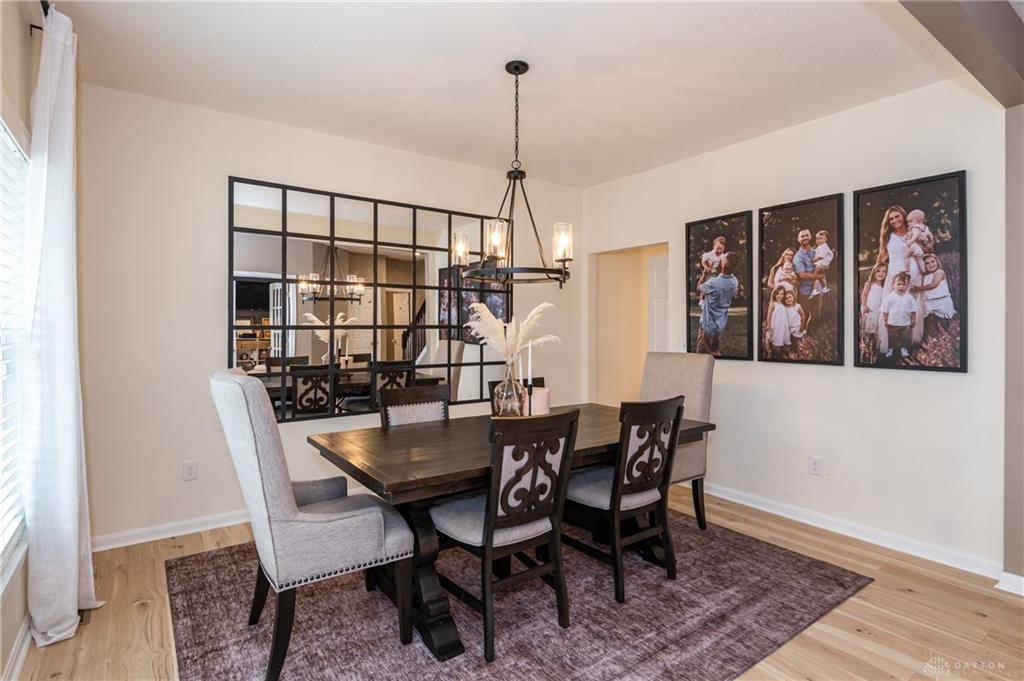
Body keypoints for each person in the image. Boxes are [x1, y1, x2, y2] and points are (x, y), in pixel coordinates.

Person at [875, 205, 925, 351]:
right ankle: (892, 344)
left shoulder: (914, 231)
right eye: (891, 219)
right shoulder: (888, 236)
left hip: (913, 272)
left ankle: (912, 342)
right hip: (894, 274)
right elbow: (881, 256)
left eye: (897, 216)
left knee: (912, 306)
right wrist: (873, 276)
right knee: (892, 306)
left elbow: (928, 249)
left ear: (903, 216)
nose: (894, 220)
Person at [696, 252, 739, 357]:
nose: (720, 257)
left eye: (723, 258)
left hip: (708, 325)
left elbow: (699, 287)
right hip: (720, 324)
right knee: (715, 351)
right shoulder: (734, 282)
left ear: (723, 265)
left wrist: (705, 273)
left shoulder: (714, 283)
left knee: (701, 357)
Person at [913, 253, 956, 337]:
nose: (931, 264)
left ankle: (946, 337)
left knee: (944, 322)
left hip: (941, 300)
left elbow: (933, 285)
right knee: (930, 323)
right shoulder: (926, 276)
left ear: (937, 262)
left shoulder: (939, 272)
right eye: (927, 263)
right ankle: (932, 339)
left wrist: (918, 288)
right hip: (929, 302)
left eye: (933, 261)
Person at [793, 229, 825, 329]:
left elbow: (825, 265)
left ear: (811, 237)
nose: (805, 237)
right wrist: (818, 276)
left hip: (817, 288)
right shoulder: (798, 256)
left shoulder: (817, 252)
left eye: (807, 235)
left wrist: (824, 268)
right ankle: (803, 335)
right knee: (805, 315)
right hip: (805, 291)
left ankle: (811, 334)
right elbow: (801, 275)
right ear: (798, 239)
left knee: (817, 315)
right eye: (802, 236)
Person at [881, 271, 917, 359]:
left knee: (905, 337)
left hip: (905, 322)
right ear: (893, 285)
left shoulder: (909, 298)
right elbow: (885, 310)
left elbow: (913, 310)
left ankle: (904, 349)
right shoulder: (889, 297)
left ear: (908, 286)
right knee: (892, 337)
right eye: (899, 284)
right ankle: (891, 349)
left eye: (904, 285)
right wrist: (885, 320)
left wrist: (913, 319)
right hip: (892, 322)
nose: (901, 287)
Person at [860, 263, 886, 362]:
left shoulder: (885, 286)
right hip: (870, 308)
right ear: (874, 272)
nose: (881, 273)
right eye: (878, 271)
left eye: (884, 271)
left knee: (876, 329)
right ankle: (867, 348)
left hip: (878, 310)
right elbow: (864, 295)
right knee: (868, 329)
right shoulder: (869, 283)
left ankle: (874, 348)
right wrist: (864, 306)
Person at [904, 208, 933, 276]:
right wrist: (931, 241)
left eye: (910, 221)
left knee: (905, 256)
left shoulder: (916, 227)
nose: (908, 223)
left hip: (914, 247)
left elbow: (916, 235)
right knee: (919, 260)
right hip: (920, 250)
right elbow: (930, 235)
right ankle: (923, 270)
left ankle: (907, 269)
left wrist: (910, 242)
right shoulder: (925, 228)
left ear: (919, 221)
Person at [766, 285, 791, 359]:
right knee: (775, 340)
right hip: (776, 326)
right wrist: (769, 327)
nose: (779, 296)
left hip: (783, 326)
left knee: (783, 340)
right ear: (774, 294)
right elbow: (769, 316)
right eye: (777, 294)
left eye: (781, 294)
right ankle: (772, 354)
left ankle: (782, 355)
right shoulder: (773, 303)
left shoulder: (783, 304)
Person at [809, 230, 833, 297]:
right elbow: (816, 252)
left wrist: (813, 260)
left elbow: (820, 256)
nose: (818, 240)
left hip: (821, 265)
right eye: (817, 239)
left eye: (821, 238)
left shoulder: (824, 247)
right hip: (823, 265)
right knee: (822, 277)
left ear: (826, 239)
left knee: (816, 277)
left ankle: (814, 290)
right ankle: (825, 288)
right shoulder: (820, 246)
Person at [784, 289, 806, 358]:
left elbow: (803, 315)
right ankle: (791, 352)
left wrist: (802, 325)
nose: (788, 299)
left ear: (793, 297)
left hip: (797, 327)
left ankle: (799, 351)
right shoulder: (785, 308)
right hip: (789, 328)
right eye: (786, 298)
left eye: (790, 297)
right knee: (790, 341)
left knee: (798, 339)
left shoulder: (797, 306)